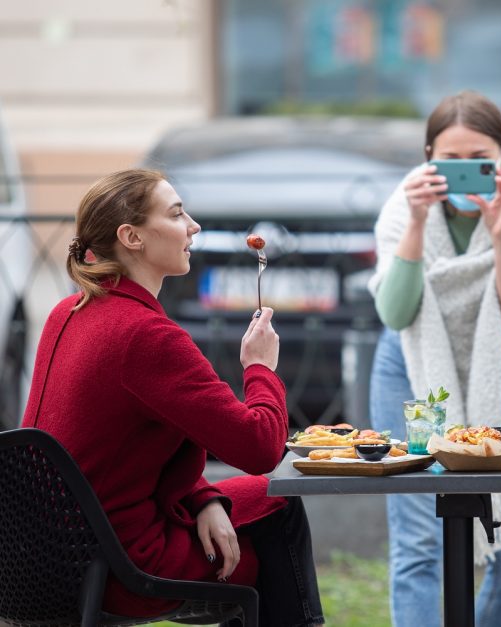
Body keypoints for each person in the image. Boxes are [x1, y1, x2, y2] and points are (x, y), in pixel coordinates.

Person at [21, 169, 324, 626]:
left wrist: (204, 498)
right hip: (120, 566)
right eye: (177, 213)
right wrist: (260, 367)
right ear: (132, 237)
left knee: (256, 499)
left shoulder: (69, 311)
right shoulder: (145, 336)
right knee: (278, 504)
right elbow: (260, 448)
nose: (194, 226)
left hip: (44, 559)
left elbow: (118, 447)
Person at [368, 90, 501, 626]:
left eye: (476, 160)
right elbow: (395, 310)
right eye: (447, 160)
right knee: (419, 544)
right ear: (428, 155)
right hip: (409, 371)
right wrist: (414, 225)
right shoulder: (402, 206)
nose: (461, 174)